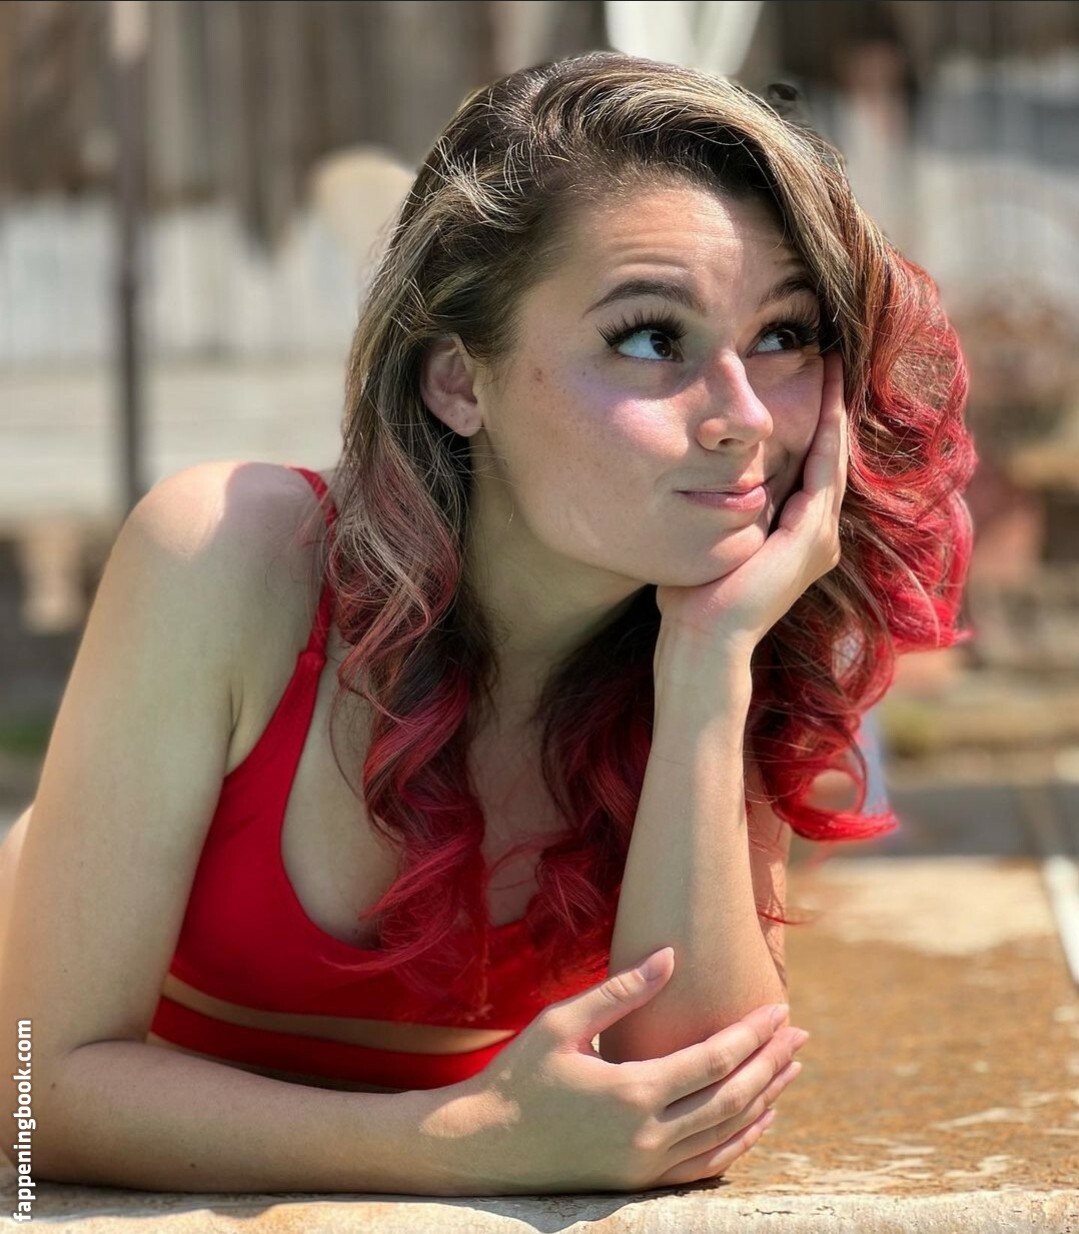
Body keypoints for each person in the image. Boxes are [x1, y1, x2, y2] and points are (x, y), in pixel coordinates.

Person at [0, 50, 975, 1198]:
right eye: (651, 339)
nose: (744, 417)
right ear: (460, 381)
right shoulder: (225, 557)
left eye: (781, 334)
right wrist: (454, 1140)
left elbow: (696, 1097)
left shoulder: (725, 625)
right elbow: (35, 1097)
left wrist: (707, 664)